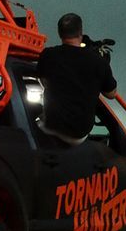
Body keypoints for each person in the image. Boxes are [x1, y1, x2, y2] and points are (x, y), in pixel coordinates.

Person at [35, 13, 117, 146]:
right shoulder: (98, 62)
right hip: (77, 135)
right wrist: (104, 64)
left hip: (50, 126)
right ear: (81, 32)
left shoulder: (48, 55)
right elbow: (112, 94)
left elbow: (42, 81)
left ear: (59, 33)